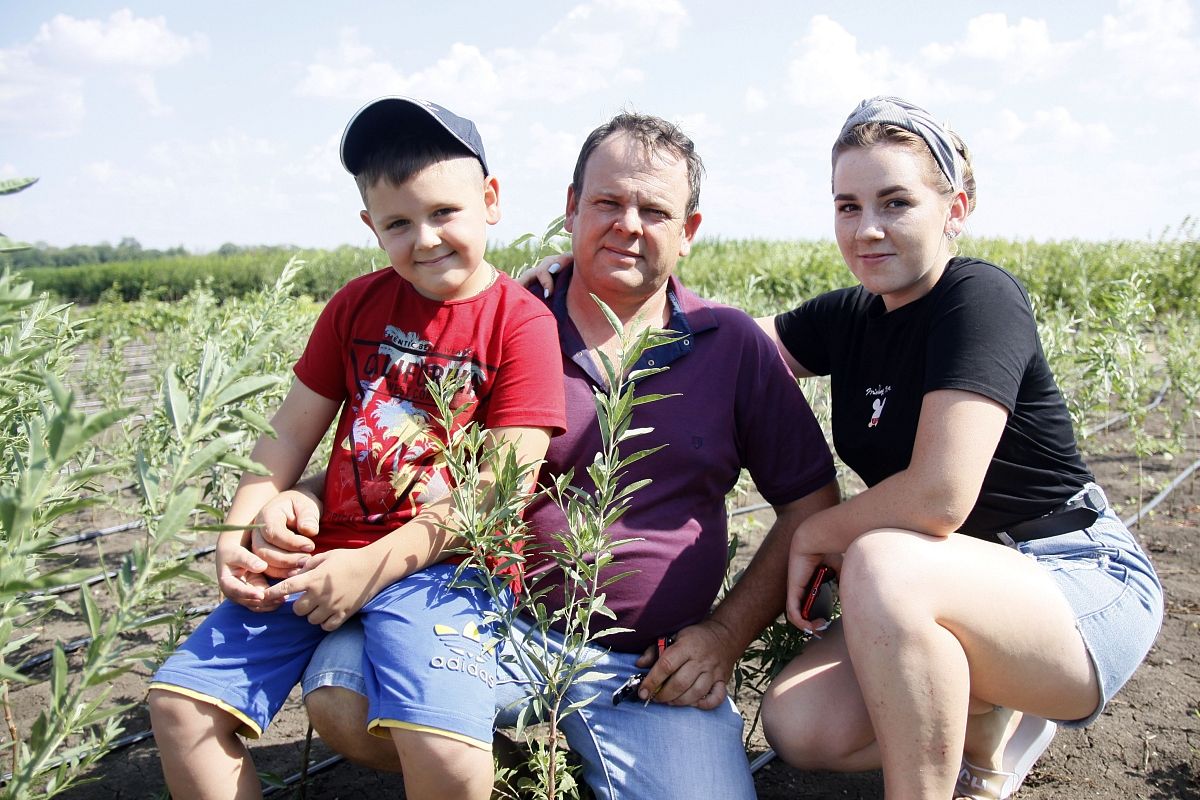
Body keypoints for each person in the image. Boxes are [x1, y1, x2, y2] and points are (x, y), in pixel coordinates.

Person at [251, 112, 840, 799]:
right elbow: (388, 455)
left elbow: (811, 504)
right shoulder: (498, 321)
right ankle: (506, 775)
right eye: (607, 202)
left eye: (654, 210)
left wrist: (723, 636)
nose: (627, 223)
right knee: (343, 696)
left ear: (689, 232)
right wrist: (303, 497)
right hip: (481, 627)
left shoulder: (732, 344)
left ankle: (576, 761)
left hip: (649, 669)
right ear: (570, 208)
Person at [147, 96, 566, 800]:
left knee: (445, 748)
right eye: (399, 223)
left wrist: (369, 568)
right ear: (371, 227)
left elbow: (497, 495)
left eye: (444, 213)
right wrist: (241, 526)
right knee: (180, 706)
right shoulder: (355, 306)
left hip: (447, 567)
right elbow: (285, 435)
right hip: (324, 556)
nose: (425, 239)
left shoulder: (519, 323)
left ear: (490, 201)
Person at [752, 97, 1164, 800]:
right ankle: (986, 716)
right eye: (847, 206)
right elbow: (720, 340)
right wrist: (583, 281)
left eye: (895, 202)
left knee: (882, 559)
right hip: (950, 585)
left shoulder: (978, 297)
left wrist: (819, 531)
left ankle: (951, 779)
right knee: (802, 725)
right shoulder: (850, 316)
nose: (868, 229)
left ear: (956, 208)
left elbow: (940, 497)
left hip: (1076, 578)